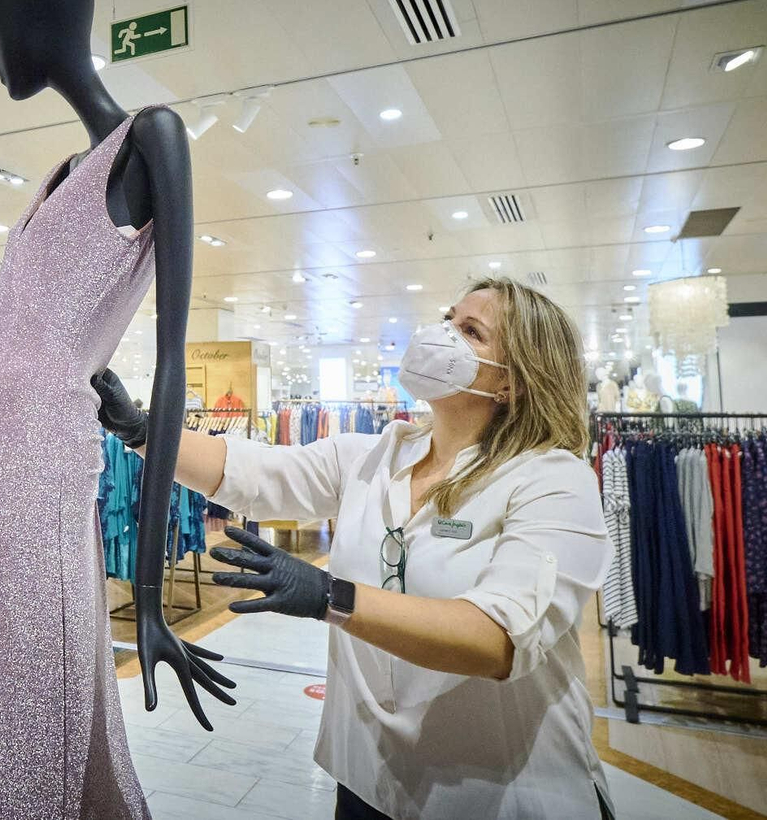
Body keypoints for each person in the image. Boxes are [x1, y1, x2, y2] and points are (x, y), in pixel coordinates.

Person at [93, 277, 614, 819]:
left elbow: (497, 639)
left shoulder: (554, 481)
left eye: (470, 331)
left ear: (513, 382)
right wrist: (139, 430)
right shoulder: (373, 454)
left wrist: (329, 596)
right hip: (370, 776)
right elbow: (252, 471)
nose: (441, 336)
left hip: (502, 793)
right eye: (447, 318)